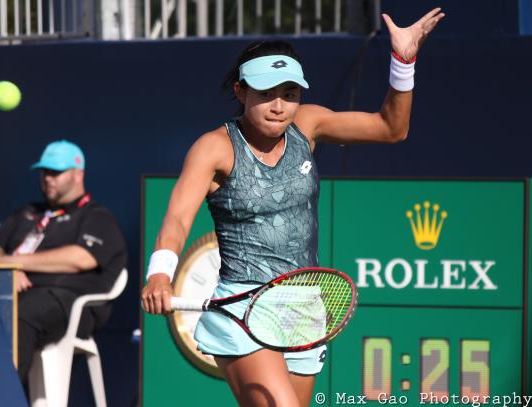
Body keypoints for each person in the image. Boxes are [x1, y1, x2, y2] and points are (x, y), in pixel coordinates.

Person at [141, 8, 445, 407]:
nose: (279, 105)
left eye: (289, 93)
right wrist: (160, 275)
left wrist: (403, 61)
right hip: (241, 309)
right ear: (240, 91)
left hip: (303, 306)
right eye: (266, 93)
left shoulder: (309, 123)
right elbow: (178, 218)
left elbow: (392, 128)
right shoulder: (213, 148)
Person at [0, 140, 127, 386]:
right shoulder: (28, 212)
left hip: (69, 303)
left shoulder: (96, 216)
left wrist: (12, 262)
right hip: (13, 295)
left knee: (20, 315)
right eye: (44, 172)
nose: (48, 178)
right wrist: (7, 269)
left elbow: (80, 258)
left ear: (78, 174)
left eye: (56, 172)